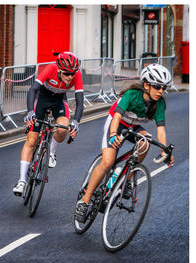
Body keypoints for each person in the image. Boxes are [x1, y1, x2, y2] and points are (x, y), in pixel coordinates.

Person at [74, 63, 175, 222]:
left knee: (145, 142)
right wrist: (113, 135)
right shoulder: (132, 95)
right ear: (147, 84)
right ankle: (85, 201)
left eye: (164, 88)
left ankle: (125, 180)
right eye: (157, 87)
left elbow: (160, 129)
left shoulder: (159, 103)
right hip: (116, 123)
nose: (161, 91)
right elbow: (117, 117)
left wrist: (164, 151)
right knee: (108, 162)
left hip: (133, 126)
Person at [13, 52, 84, 196]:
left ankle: (51, 152)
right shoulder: (51, 68)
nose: (70, 77)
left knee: (63, 128)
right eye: (67, 73)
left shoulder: (76, 75)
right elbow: (33, 89)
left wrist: (76, 121)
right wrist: (29, 112)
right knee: (32, 140)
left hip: (59, 101)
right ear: (58, 69)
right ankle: (21, 181)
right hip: (41, 100)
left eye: (72, 73)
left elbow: (80, 101)